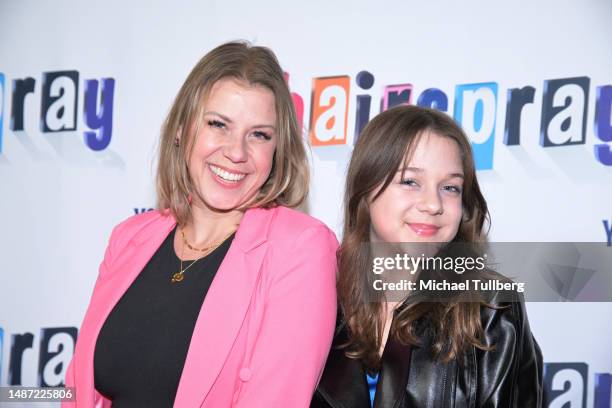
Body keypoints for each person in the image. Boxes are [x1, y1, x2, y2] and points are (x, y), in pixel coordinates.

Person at [63, 41, 339, 408]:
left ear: (278, 150)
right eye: (217, 124)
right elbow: (79, 389)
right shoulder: (130, 237)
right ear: (181, 129)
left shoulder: (301, 247)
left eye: (259, 135)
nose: (236, 152)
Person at [311, 105, 543, 407]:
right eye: (410, 182)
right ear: (365, 187)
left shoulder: (492, 308)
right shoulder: (312, 294)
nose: (433, 204)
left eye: (450, 187)